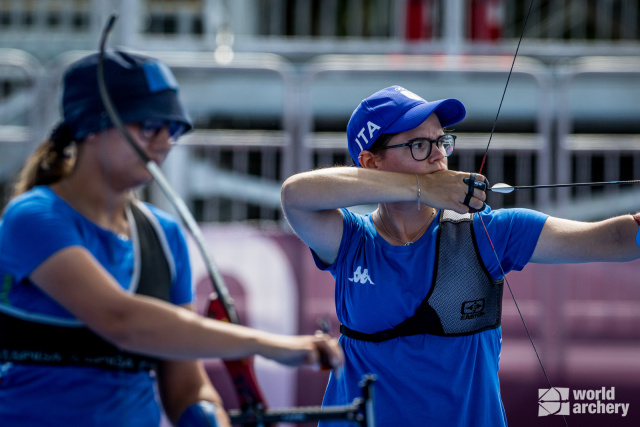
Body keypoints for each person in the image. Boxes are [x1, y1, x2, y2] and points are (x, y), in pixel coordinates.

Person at [0, 50, 342, 427]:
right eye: (149, 126)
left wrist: (206, 414)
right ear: (91, 126)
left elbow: (185, 388)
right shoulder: (32, 217)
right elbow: (121, 320)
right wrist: (272, 346)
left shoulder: (164, 236)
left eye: (173, 130)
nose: (164, 142)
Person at [280, 85, 640, 426]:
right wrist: (420, 188)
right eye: (419, 144)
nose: (438, 154)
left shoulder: (486, 233)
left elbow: (613, 239)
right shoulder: (352, 240)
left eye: (442, 141)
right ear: (370, 162)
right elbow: (295, 195)